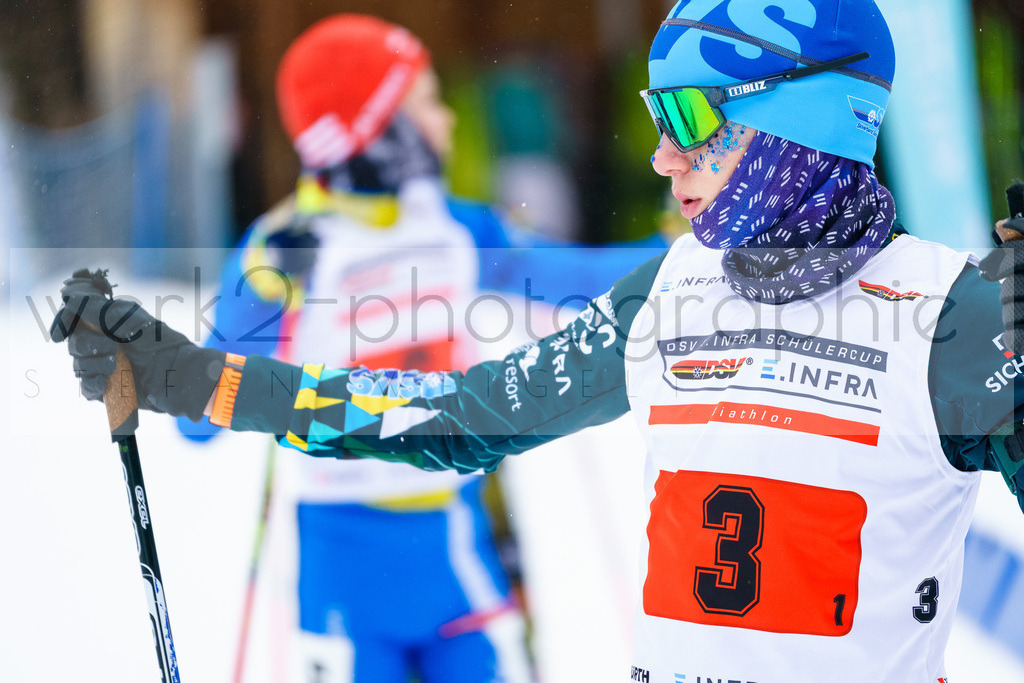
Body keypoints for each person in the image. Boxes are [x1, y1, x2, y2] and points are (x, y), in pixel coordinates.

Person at [51, 1, 1024, 680]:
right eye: (654, 117)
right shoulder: (669, 294)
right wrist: (193, 375)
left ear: (796, 121)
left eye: (689, 116)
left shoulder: (951, 318)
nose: (659, 153)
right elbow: (450, 414)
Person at [175, 14, 664, 683]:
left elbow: (571, 280)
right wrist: (259, 293)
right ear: (378, 129)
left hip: (454, 552)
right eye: (428, 102)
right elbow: (197, 420)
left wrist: (682, 252)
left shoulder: (453, 227)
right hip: (346, 568)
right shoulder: (289, 250)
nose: (448, 120)